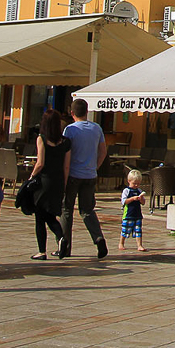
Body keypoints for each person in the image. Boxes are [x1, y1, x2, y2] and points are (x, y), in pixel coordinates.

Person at [61, 99, 108, 259]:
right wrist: (95, 167)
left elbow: (65, 155)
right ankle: (98, 238)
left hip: (73, 174)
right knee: (87, 210)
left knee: (67, 210)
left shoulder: (70, 130)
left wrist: (64, 176)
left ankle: (64, 246)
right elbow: (103, 151)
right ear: (87, 112)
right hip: (90, 175)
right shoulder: (97, 128)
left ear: (72, 113)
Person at [29, 109, 72, 260]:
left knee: (40, 217)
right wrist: (64, 184)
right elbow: (66, 166)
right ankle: (61, 238)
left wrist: (31, 176)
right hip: (58, 181)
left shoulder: (41, 138)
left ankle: (42, 251)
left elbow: (40, 163)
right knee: (50, 215)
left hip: (44, 181)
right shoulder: (66, 142)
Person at [119, 170, 147, 252]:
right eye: (134, 183)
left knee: (138, 230)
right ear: (129, 181)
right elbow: (124, 202)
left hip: (137, 214)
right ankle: (121, 243)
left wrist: (141, 198)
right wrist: (132, 199)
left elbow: (143, 203)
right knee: (125, 230)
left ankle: (139, 245)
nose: (136, 185)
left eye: (138, 183)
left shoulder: (139, 191)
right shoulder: (126, 191)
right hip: (128, 214)